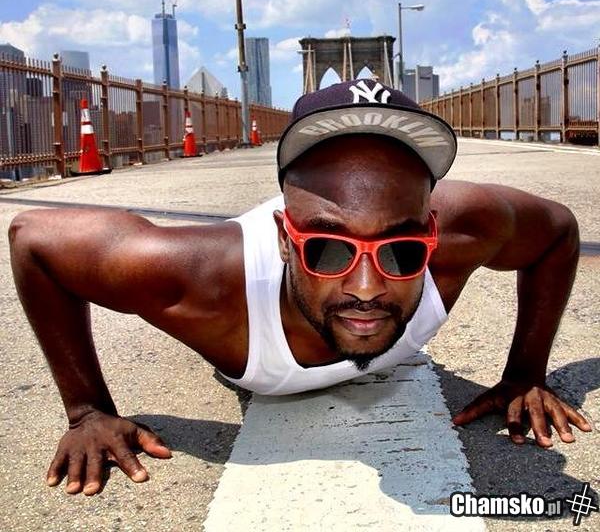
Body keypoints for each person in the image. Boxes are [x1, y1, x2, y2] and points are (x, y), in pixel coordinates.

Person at [9, 79, 591, 496]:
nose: (368, 288)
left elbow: (559, 232)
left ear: (431, 233)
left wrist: (526, 373)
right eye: (328, 249)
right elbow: (34, 237)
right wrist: (87, 410)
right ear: (286, 239)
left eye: (402, 249)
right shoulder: (205, 282)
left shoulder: (468, 228)